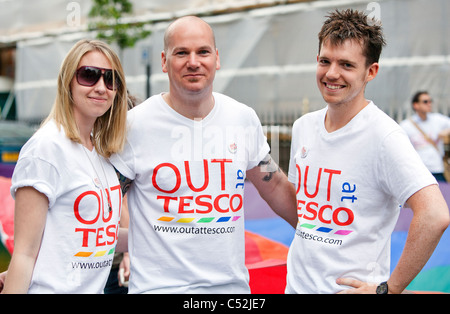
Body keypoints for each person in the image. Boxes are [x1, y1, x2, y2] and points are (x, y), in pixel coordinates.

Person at [109, 16, 298, 294]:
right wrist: (139, 241)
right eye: (181, 52)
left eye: (203, 52)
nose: (193, 62)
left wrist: (321, 237)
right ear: (164, 61)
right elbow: (100, 211)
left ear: (217, 59)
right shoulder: (135, 126)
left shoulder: (242, 119)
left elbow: (276, 187)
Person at [286, 9, 449, 294]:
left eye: (347, 65)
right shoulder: (303, 127)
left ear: (370, 72)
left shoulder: (384, 136)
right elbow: (304, 212)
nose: (332, 73)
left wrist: (389, 288)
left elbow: (435, 215)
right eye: (325, 61)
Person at [0, 39, 129, 294]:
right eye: (89, 75)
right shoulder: (46, 149)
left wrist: (167, 231)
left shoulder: (99, 152)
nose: (101, 87)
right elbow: (24, 253)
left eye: (111, 79)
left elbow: (99, 236)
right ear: (67, 81)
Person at [400, 91, 450, 182]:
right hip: (418, 171)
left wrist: (445, 132)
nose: (429, 104)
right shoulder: (406, 125)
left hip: (438, 169)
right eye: (425, 102)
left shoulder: (438, 119)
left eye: (430, 101)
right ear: (416, 105)